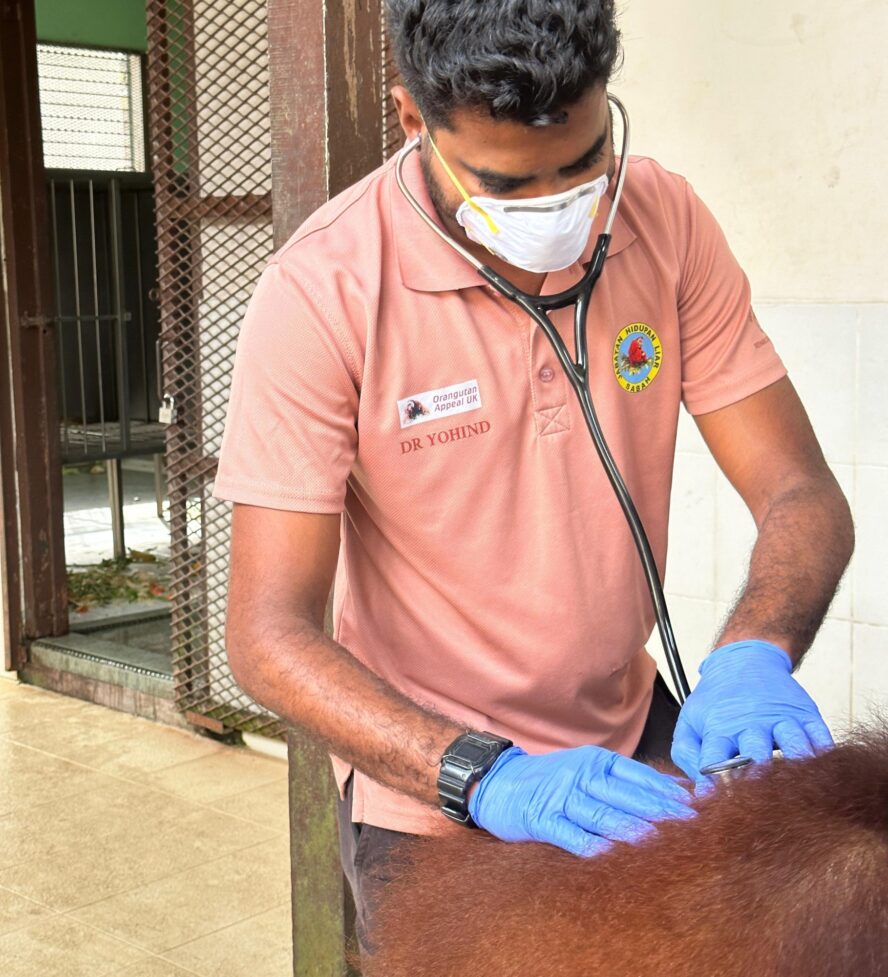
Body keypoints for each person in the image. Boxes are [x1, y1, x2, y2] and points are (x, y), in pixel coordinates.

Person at [214, 0, 854, 957]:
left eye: (584, 163)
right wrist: (481, 773)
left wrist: (753, 651)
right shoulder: (324, 291)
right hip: (436, 793)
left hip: (636, 741)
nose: (559, 207)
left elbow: (800, 491)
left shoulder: (664, 220)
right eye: (508, 182)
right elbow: (267, 635)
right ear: (411, 120)